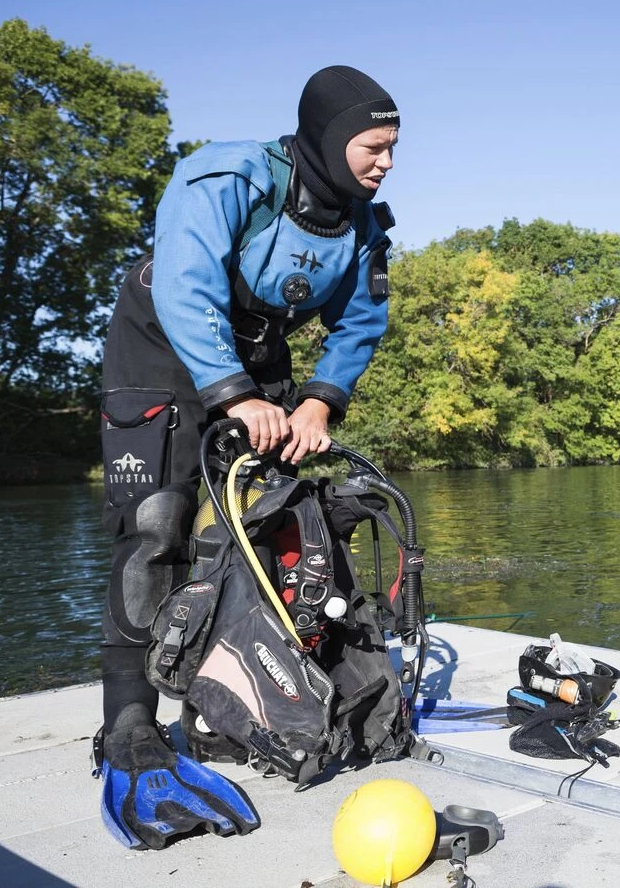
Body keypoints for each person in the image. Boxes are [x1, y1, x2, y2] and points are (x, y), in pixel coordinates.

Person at [94, 65, 400, 849]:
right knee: (156, 526)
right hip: (160, 346)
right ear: (329, 137)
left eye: (393, 148)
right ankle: (129, 726)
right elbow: (186, 286)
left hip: (256, 354)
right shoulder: (226, 178)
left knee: (259, 525)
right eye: (373, 146)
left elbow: (361, 321)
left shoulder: (362, 224)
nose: (386, 162)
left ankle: (225, 699)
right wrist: (234, 394)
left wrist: (318, 401)